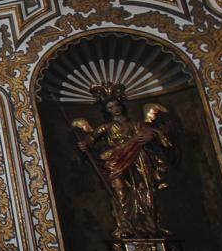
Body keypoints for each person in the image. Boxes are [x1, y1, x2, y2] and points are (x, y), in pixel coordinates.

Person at [72, 86, 174, 239]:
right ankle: (126, 226)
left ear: (122, 106)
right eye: (111, 107)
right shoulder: (106, 127)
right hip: (117, 160)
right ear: (107, 111)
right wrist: (84, 144)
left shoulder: (136, 124)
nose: (115, 109)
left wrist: (151, 136)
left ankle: (151, 227)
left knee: (144, 189)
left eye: (117, 106)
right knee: (121, 192)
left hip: (139, 157)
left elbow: (155, 132)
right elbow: (91, 139)